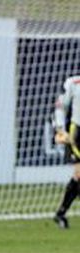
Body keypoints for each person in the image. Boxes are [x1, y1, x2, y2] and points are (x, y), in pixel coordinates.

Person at [53, 74, 80, 229]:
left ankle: (61, 213)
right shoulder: (74, 83)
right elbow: (60, 106)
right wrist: (60, 129)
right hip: (77, 133)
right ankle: (61, 213)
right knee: (79, 174)